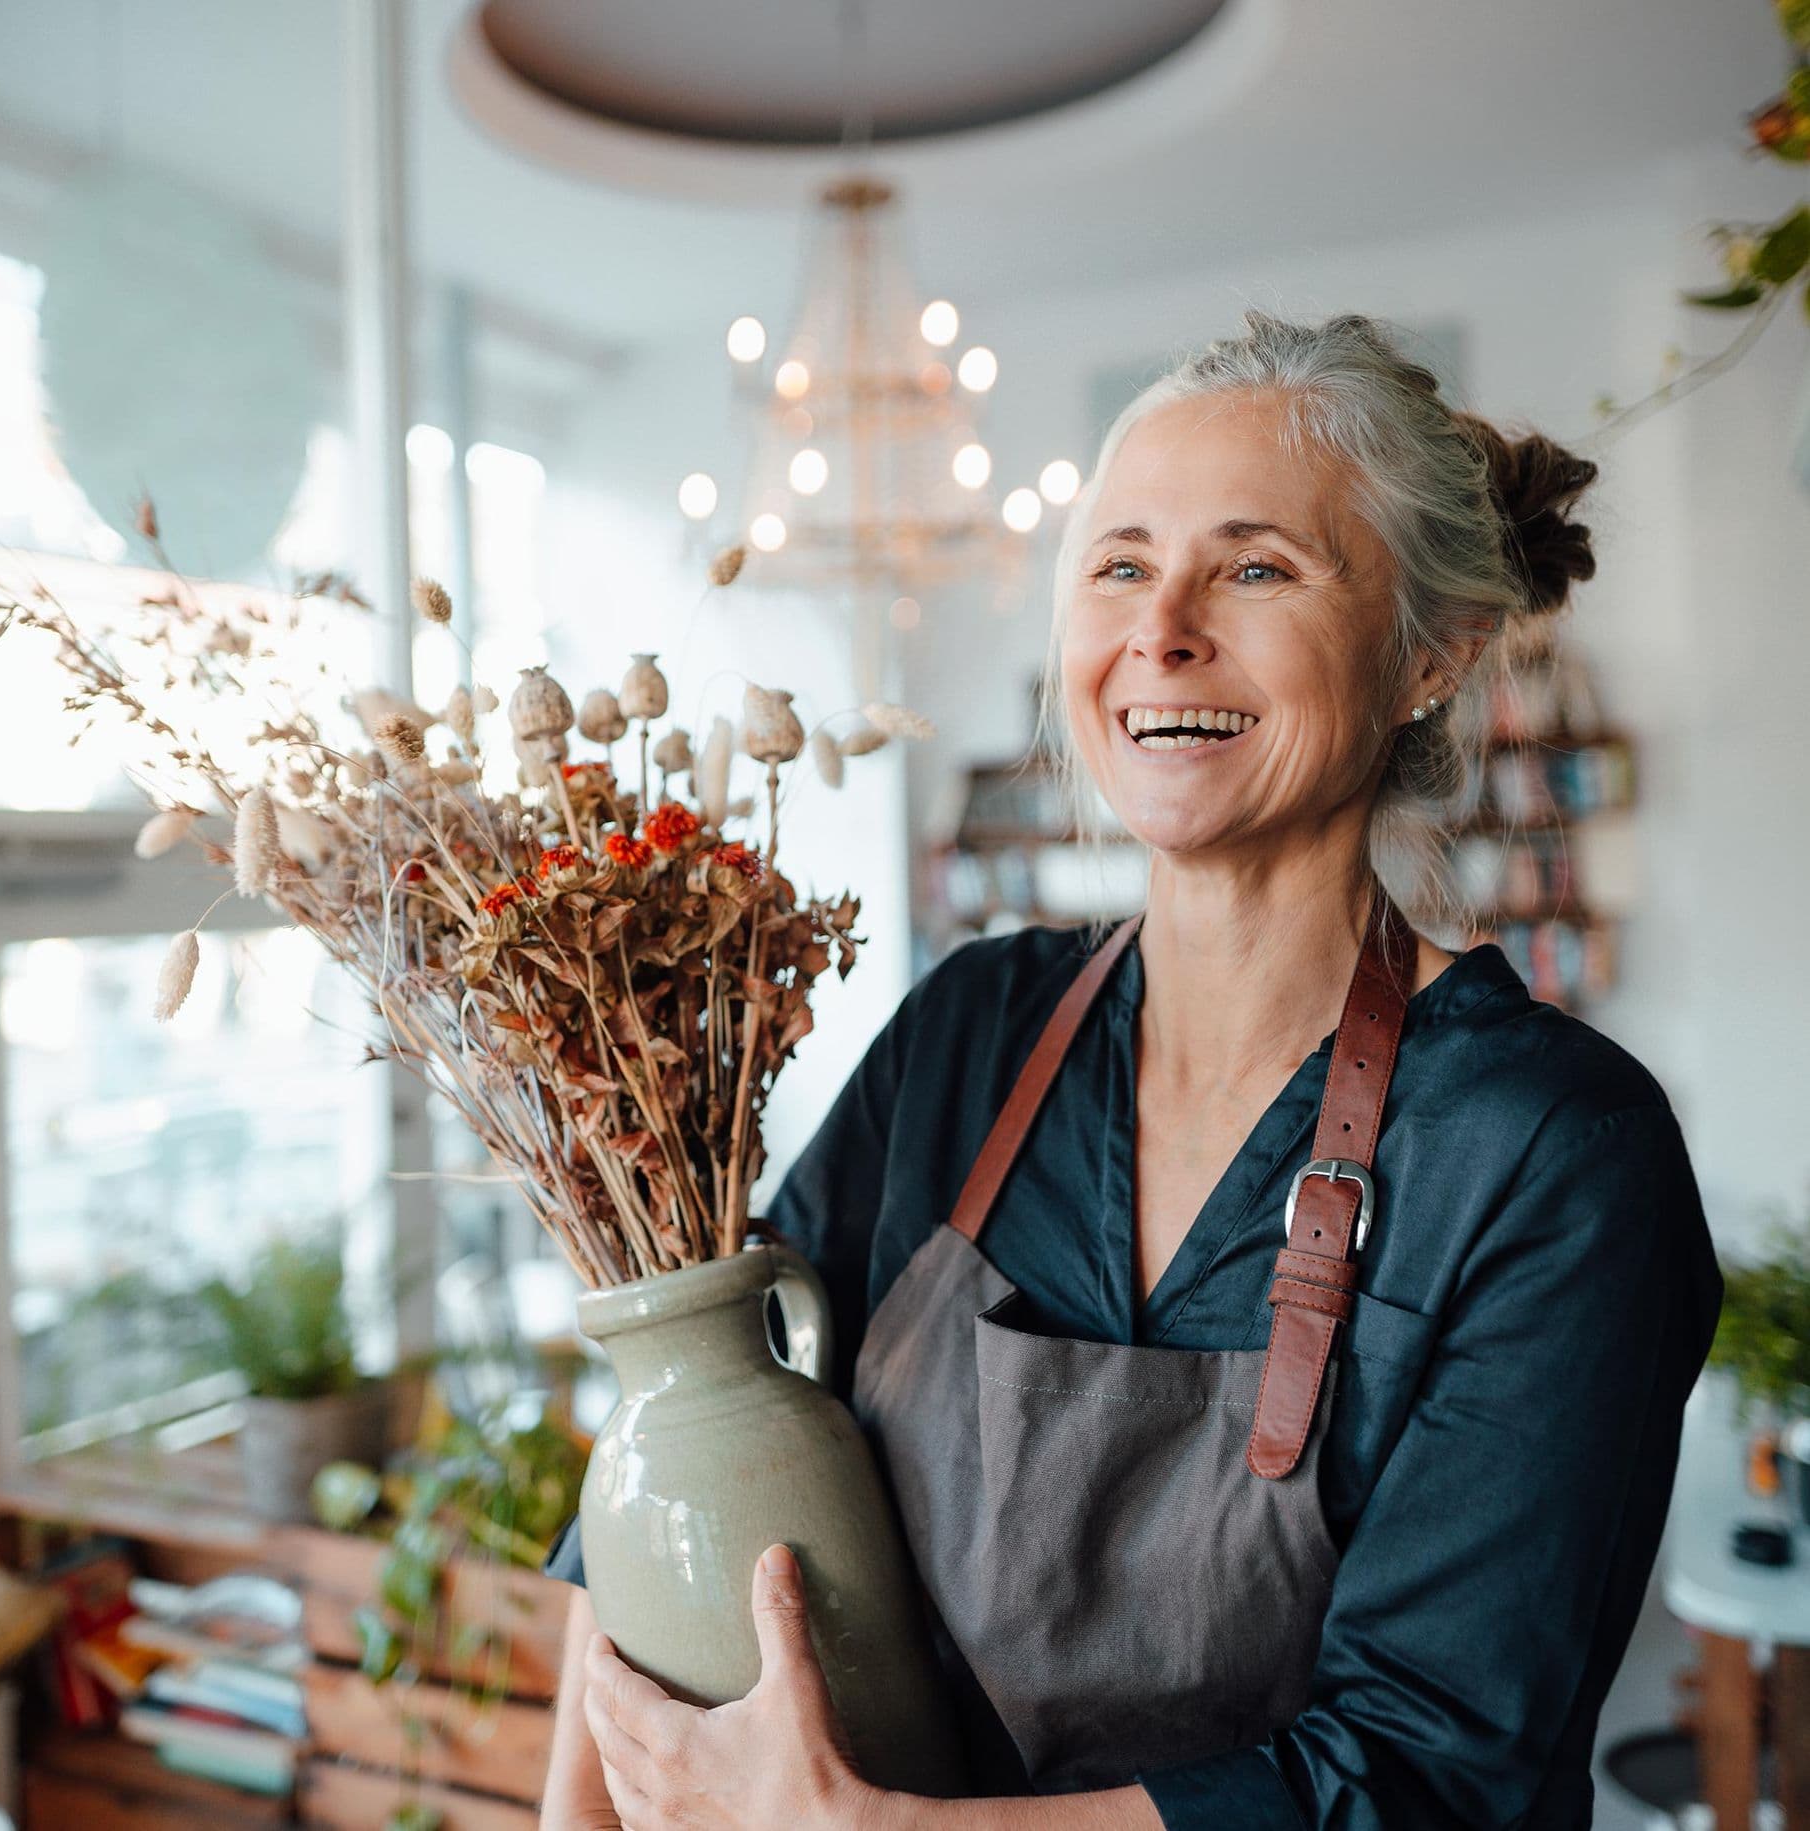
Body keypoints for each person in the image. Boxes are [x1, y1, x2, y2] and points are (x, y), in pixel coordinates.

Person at [537, 310, 1724, 1829]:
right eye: (1117, 563)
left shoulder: (1555, 1155)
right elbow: (688, 1440)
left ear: (1435, 653)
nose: (1161, 629)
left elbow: (1431, 1776)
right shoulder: (968, 1035)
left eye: (1255, 566)